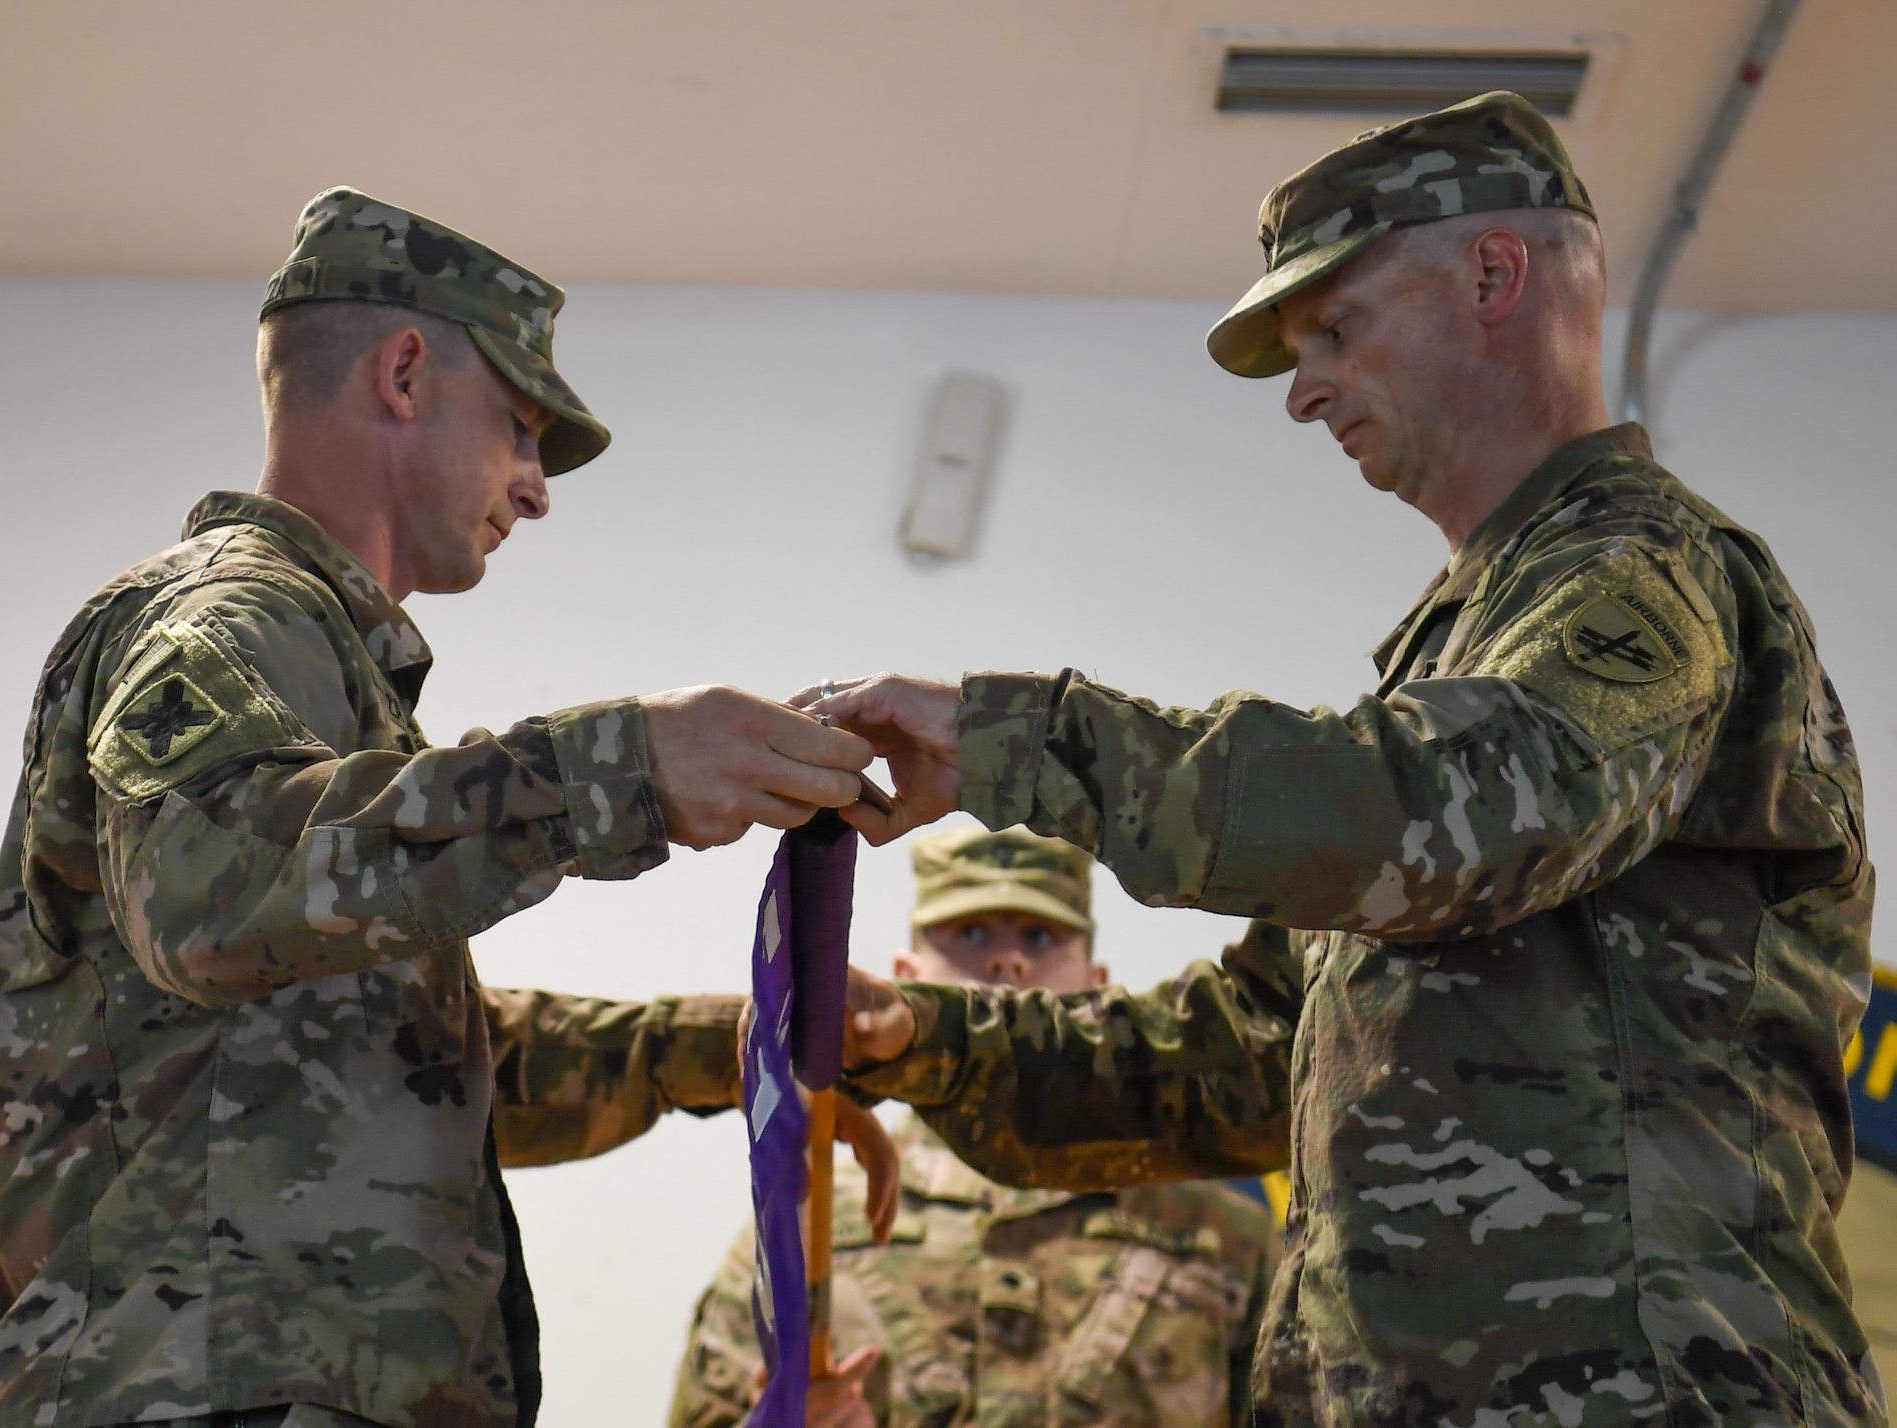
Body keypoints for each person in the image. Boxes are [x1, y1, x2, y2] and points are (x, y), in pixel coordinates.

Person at [804, 92, 1883, 1426]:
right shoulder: (1464, 655)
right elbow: (1243, 1052)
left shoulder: (1649, 577)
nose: (1304, 392)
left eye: (1337, 329)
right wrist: (917, 1035)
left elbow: (1452, 810)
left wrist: (1013, 740)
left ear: (1493, 276)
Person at [0, 187, 880, 1428]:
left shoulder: (321, 676)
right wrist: (620, 765)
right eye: (520, 429)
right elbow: (207, 886)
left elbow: (387, 1061)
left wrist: (723, 1045)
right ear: (402, 373)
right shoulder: (222, 615)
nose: (535, 488)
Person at [667, 826, 1280, 1428]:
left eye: (1040, 935)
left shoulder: (1221, 1236)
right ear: (905, 975)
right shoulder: (806, 1222)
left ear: (1101, 990)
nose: (1006, 958)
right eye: (970, 931)